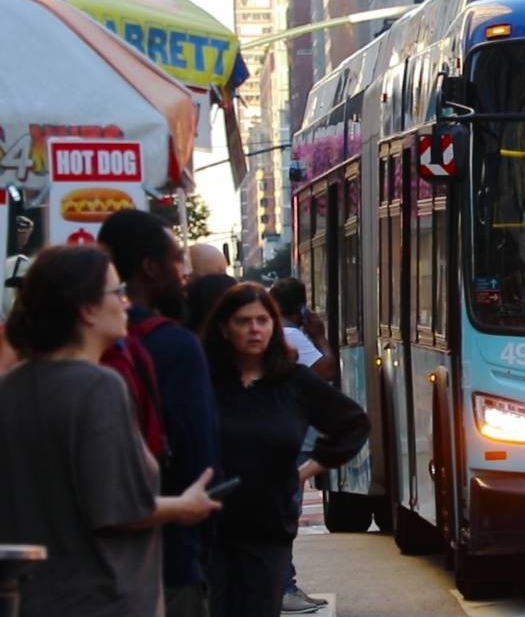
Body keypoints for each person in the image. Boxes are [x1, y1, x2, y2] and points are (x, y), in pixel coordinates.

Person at [0, 245, 221, 617]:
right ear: (86, 309)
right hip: (101, 596)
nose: (124, 303)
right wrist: (185, 505)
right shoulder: (98, 386)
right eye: (116, 293)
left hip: (28, 597)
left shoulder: (10, 387)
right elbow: (118, 507)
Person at [202, 283, 369, 617]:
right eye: (243, 321)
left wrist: (306, 470)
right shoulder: (204, 379)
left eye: (262, 321)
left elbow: (353, 424)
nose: (254, 329)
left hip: (267, 527)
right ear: (223, 328)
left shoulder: (292, 381)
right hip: (208, 528)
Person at [97, 209, 221, 617]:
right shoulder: (175, 345)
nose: (183, 272)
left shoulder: (63, 352)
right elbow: (199, 460)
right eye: (176, 260)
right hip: (169, 557)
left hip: (87, 564)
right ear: (150, 268)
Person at [267, 277, 335, 613]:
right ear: (301, 307)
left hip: (282, 435)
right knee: (286, 512)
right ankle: (284, 588)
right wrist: (320, 336)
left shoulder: (275, 335)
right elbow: (325, 370)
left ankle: (281, 585)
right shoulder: (292, 336)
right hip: (294, 436)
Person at [1, 215, 34, 318]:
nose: (24, 235)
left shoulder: (21, 261)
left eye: (26, 232)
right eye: (21, 232)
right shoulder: (18, 261)